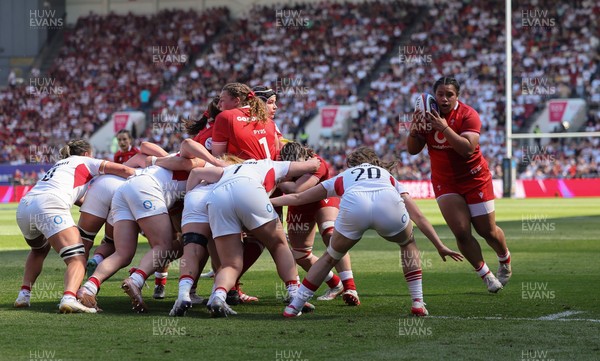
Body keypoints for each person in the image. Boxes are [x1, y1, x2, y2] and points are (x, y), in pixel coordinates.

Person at [270, 147, 463, 317]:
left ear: (352, 164)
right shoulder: (387, 176)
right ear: (374, 162)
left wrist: (268, 201)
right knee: (407, 243)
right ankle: (418, 303)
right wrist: (439, 245)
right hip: (387, 205)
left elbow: (297, 197)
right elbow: (418, 216)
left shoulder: (344, 176)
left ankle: (294, 307)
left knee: (330, 257)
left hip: (355, 206)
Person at [407, 76, 511, 292]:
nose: (444, 99)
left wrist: (444, 128)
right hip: (446, 182)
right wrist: (415, 129)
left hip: (475, 179)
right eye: (440, 94)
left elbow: (467, 150)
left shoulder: (468, 115)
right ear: (434, 95)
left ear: (457, 96)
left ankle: (504, 259)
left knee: (487, 231)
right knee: (461, 232)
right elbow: (412, 149)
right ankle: (486, 274)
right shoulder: (426, 114)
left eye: (449, 94)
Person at [186, 157, 321, 317]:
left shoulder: (230, 168)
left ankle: (218, 296)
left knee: (230, 264)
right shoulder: (269, 164)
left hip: (217, 197)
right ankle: (295, 294)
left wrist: (188, 198)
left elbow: (196, 173)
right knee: (279, 245)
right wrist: (315, 159)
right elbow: (312, 165)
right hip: (249, 189)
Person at [14, 140, 134, 313]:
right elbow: (124, 170)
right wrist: (146, 177)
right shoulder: (84, 161)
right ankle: (69, 297)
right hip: (48, 205)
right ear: (86, 153)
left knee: (38, 250)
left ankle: (24, 295)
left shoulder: (59, 164)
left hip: (25, 206)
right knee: (77, 258)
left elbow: (74, 196)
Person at [79, 153, 204, 312]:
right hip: (145, 188)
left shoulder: (176, 157)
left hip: (125, 188)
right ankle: (136, 280)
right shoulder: (205, 167)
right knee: (164, 246)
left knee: (122, 253)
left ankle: (89, 288)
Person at [278, 142, 359, 305]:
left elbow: (297, 189)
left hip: (321, 200)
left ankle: (350, 287)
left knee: (331, 234)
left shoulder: (317, 163)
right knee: (300, 255)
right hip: (298, 206)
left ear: (304, 157)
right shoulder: (279, 162)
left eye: (297, 164)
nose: (295, 167)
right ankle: (336, 284)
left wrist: (277, 179)